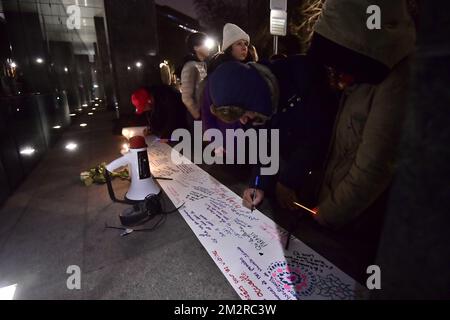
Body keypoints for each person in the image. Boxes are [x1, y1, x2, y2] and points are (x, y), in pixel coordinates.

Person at [304, 0, 416, 238]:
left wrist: (329, 213)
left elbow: (375, 165)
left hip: (356, 222)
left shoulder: (397, 80)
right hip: (334, 207)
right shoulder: (367, 65)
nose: (340, 75)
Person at [208, 56, 339, 210]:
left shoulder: (302, 77)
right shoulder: (255, 112)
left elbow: (315, 137)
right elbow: (264, 150)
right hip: (291, 163)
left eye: (243, 114)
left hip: (324, 169)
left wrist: (288, 181)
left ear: (254, 98)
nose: (243, 122)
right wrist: (257, 184)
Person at [201, 24, 253, 146]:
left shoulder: (249, 71)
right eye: (239, 44)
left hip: (250, 138)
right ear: (229, 47)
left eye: (245, 44)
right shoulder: (217, 74)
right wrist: (215, 141)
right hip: (227, 139)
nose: (244, 47)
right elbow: (206, 109)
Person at [179, 32, 210, 126]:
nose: (208, 47)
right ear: (195, 47)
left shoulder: (202, 65)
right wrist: (198, 115)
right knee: (199, 141)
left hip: (204, 114)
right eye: (205, 44)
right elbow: (186, 97)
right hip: (197, 118)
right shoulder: (190, 66)